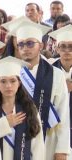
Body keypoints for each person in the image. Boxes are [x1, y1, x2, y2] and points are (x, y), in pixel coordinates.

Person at [9, 20, 70, 160]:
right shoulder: (13, 73)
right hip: (18, 140)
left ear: (41, 45)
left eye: (30, 43)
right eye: (21, 44)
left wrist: (61, 150)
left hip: (48, 140)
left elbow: (63, 114)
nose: (25, 48)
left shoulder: (56, 74)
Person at [0, 56, 45, 159]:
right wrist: (4, 124)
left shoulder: (29, 109)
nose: (8, 86)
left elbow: (38, 146)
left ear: (19, 83)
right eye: (3, 81)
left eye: (13, 81)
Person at [49, 24, 72, 153]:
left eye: (71, 46)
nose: (67, 50)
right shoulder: (49, 69)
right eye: (63, 46)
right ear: (57, 49)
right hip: (56, 128)